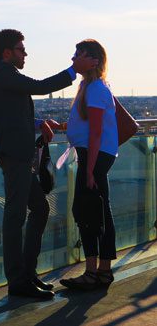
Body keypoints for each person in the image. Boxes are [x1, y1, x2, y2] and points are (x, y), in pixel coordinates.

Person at [0, 29, 98, 299]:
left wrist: (37, 123)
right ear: (7, 52)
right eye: (21, 49)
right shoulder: (1, 72)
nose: (26, 53)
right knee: (16, 216)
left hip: (15, 153)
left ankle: (26, 274)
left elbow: (9, 113)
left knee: (39, 209)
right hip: (14, 155)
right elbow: (40, 87)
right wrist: (73, 70)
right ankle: (18, 280)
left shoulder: (0, 73)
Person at [60, 39, 117, 290]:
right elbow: (90, 128)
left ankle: (92, 272)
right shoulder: (93, 87)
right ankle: (102, 271)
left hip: (93, 155)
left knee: (86, 212)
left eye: (78, 54)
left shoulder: (94, 89)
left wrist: (90, 169)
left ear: (93, 60)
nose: (73, 58)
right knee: (99, 211)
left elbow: (95, 133)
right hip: (96, 154)